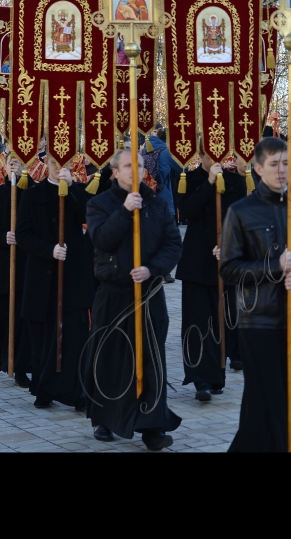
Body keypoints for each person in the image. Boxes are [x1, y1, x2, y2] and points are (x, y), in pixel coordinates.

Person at [219, 137, 291, 452]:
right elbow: (229, 269)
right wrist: (273, 266)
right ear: (257, 168)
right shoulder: (241, 213)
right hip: (259, 323)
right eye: (274, 164)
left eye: (286, 163)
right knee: (262, 407)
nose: (282, 170)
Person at [84, 149, 183, 449]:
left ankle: (152, 425)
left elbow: (172, 244)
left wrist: (152, 269)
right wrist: (126, 211)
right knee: (111, 358)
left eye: (139, 165)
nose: (134, 170)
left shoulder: (158, 204)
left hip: (150, 294)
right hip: (114, 295)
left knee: (151, 359)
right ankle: (105, 417)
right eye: (128, 166)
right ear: (114, 172)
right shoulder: (99, 204)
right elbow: (101, 239)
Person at [16, 156, 94, 410]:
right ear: (46, 164)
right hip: (42, 276)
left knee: (74, 334)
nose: (60, 168)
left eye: (66, 164)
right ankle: (43, 387)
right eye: (54, 163)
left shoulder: (78, 190)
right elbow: (23, 235)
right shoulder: (32, 195)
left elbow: (87, 216)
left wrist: (71, 187)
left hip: (73, 275)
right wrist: (49, 250)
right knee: (42, 335)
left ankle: (76, 390)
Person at [176, 146, 247, 402]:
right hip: (196, 261)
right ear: (201, 155)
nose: (214, 159)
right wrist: (208, 183)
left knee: (221, 321)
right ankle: (200, 378)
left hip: (224, 260)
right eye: (209, 154)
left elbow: (241, 218)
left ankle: (217, 375)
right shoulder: (189, 178)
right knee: (197, 321)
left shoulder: (235, 182)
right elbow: (187, 212)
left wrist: (229, 243)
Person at [0, 153, 33, 386]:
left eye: (18, 163)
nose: (13, 166)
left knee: (21, 319)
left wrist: (25, 177)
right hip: (2, 265)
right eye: (10, 163)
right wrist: (4, 236)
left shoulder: (30, 194)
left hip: (24, 264)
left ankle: (20, 366)